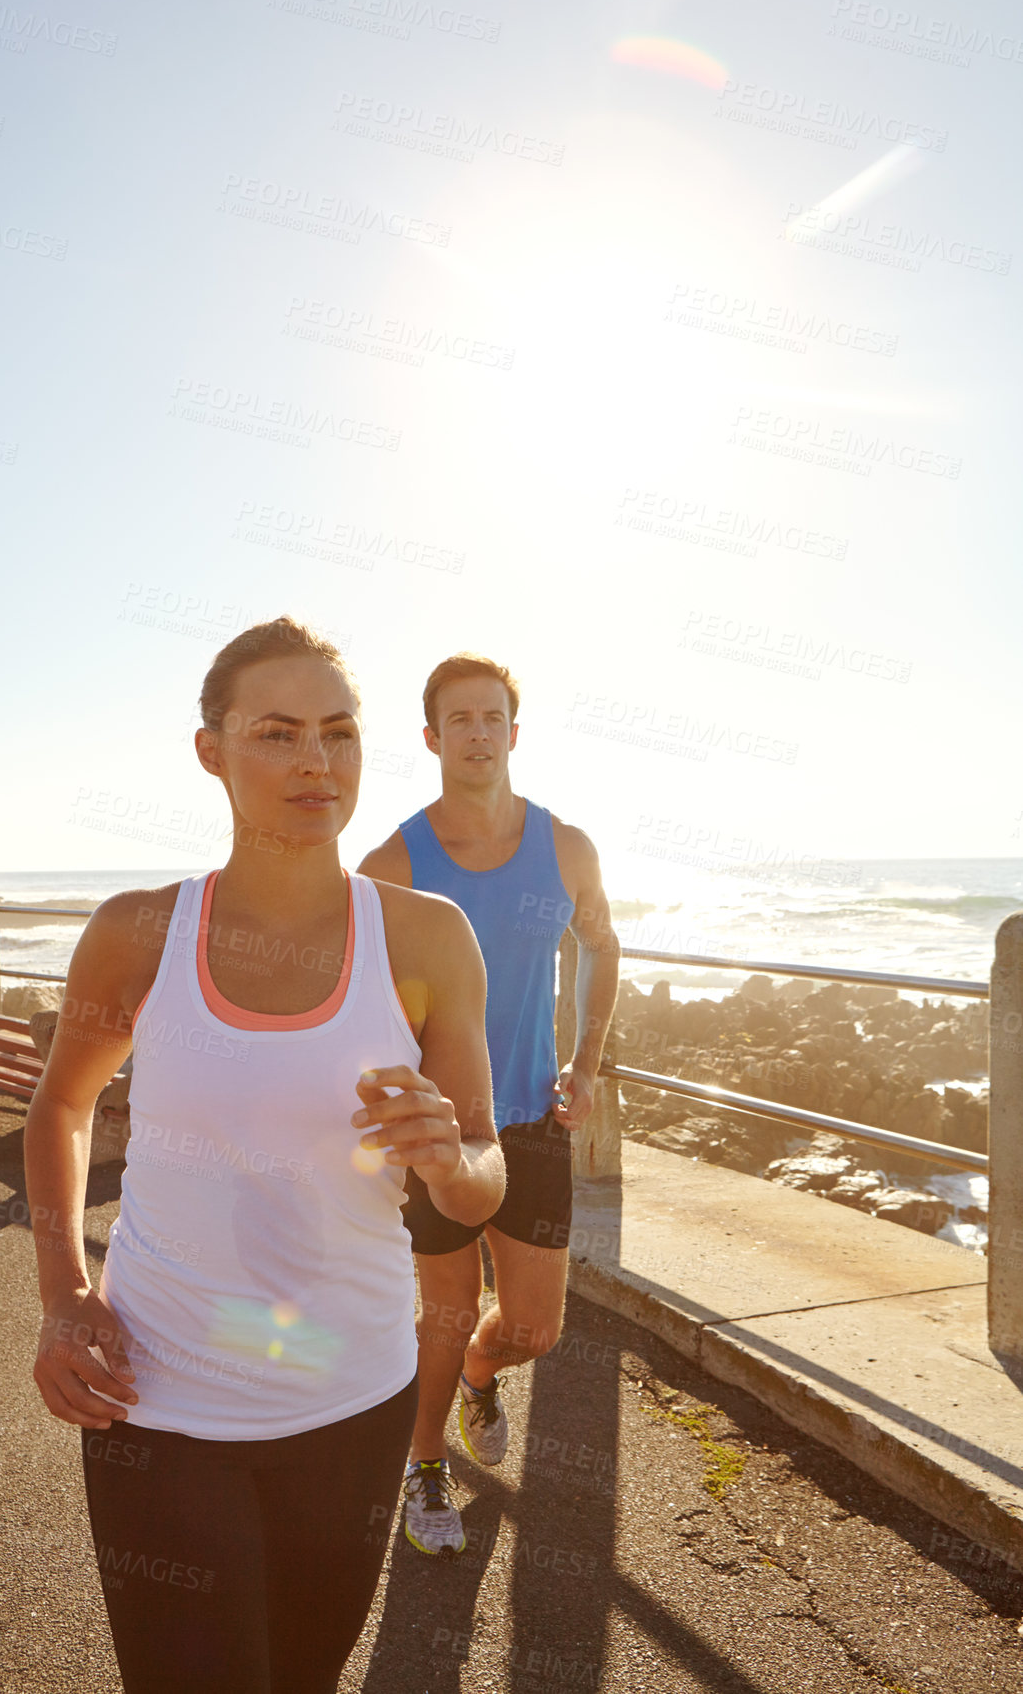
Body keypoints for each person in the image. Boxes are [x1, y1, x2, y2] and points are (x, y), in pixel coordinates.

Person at [24, 618, 505, 1692]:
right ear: (212, 750)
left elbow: (481, 1172)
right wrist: (64, 1291)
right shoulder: (139, 933)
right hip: (158, 1393)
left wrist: (445, 1157)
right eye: (277, 733)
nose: (313, 763)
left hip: (354, 1394)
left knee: (303, 1677)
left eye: (337, 733)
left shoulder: (426, 939)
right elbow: (60, 1104)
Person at [359, 652, 620, 1555]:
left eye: (493, 717)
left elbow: (600, 945)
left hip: (534, 1122)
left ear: (515, 732)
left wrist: (585, 1062)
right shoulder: (393, 861)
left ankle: (481, 1376)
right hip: (439, 1129)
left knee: (535, 1330)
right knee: (443, 1311)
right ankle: (423, 1465)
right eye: (459, 719)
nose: (478, 732)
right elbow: (356, 990)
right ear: (432, 738)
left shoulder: (567, 848)